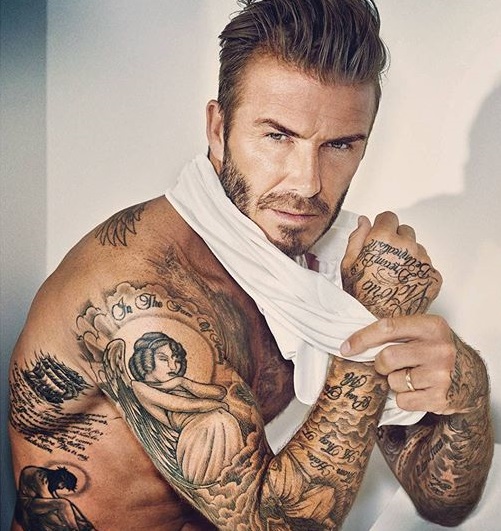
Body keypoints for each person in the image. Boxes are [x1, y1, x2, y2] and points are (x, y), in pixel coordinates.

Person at [8, 0, 493, 529]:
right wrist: (368, 334)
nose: (307, 183)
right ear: (219, 130)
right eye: (277, 136)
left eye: (339, 145)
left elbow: (443, 500)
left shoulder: (321, 265)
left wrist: (467, 385)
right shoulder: (136, 295)